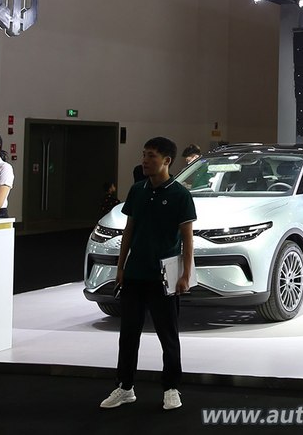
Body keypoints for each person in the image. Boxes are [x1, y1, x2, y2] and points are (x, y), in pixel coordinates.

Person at [100, 137, 196, 412]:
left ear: (167, 161)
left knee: (168, 334)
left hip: (164, 277)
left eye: (151, 156)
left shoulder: (180, 195)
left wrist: (186, 274)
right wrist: (120, 267)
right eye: (144, 155)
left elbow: (187, 238)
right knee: (128, 334)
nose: (145, 160)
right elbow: (129, 231)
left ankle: (171, 388)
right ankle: (125, 387)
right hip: (135, 274)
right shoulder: (137, 190)